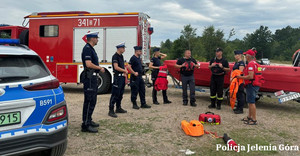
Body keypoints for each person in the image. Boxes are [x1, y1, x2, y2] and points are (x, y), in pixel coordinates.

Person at [81, 31, 105, 133]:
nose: (97, 40)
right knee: (89, 100)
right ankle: (85, 125)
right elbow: (88, 64)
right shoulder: (87, 49)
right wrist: (99, 67)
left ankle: (89, 120)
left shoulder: (91, 49)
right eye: (97, 38)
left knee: (93, 100)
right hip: (89, 78)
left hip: (93, 78)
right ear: (92, 39)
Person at [237, 49, 260, 125]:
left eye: (246, 55)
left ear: (248, 56)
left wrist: (240, 77)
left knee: (251, 102)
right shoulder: (255, 63)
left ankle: (254, 119)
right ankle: (249, 116)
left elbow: (250, 76)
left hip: (251, 85)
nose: (245, 57)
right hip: (254, 84)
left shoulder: (251, 64)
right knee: (249, 101)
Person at [108, 42, 128, 118]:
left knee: (120, 93)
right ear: (119, 48)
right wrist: (124, 71)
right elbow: (116, 67)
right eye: (123, 48)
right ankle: (111, 110)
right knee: (115, 94)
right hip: (117, 77)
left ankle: (118, 107)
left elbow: (123, 66)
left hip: (122, 77)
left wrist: (125, 71)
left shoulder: (121, 56)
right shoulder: (115, 56)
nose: (124, 49)